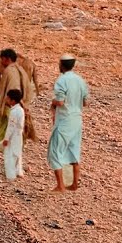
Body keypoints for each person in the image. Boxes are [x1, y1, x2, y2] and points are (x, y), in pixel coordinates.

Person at [48, 54, 90, 192]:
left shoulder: (61, 80)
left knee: (55, 150)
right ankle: (74, 184)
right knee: (74, 150)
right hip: (77, 119)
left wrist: (53, 102)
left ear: (62, 65)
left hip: (65, 119)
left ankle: (60, 185)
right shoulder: (80, 80)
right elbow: (85, 102)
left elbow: (60, 101)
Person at [0, 48, 35, 157]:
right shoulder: (20, 70)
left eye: (2, 60)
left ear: (6, 59)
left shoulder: (9, 71)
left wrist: (21, 105)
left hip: (12, 105)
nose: (0, 62)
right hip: (18, 104)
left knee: (8, 128)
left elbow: (14, 89)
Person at [0, 88, 26, 181]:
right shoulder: (21, 110)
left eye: (8, 98)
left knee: (10, 154)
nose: (6, 99)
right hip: (19, 135)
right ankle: (18, 171)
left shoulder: (14, 111)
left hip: (14, 135)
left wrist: (6, 138)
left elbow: (11, 126)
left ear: (13, 100)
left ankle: (11, 175)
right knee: (17, 153)